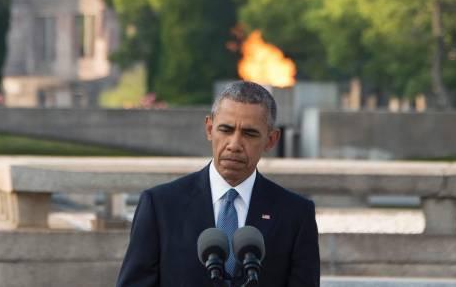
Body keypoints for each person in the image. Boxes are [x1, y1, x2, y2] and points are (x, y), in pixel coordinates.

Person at [116, 81, 320, 286]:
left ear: (271, 140)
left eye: (249, 134)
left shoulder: (296, 214)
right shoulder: (159, 206)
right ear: (209, 128)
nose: (234, 145)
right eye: (226, 129)